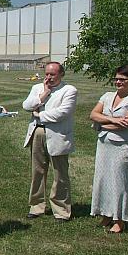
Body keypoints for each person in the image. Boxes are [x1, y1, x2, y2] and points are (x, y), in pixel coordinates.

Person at [89, 65, 128, 233]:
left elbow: (127, 124)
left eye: (123, 79)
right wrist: (113, 120)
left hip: (122, 146)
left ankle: (119, 220)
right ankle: (106, 214)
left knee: (119, 182)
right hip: (104, 144)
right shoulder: (107, 96)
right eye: (117, 79)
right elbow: (93, 114)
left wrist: (101, 124)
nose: (118, 82)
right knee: (103, 179)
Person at [22, 61, 77, 222]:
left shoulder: (69, 90)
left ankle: (61, 210)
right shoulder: (37, 88)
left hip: (58, 134)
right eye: (46, 74)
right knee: (37, 171)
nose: (49, 77)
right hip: (38, 132)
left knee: (60, 173)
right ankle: (36, 206)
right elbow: (27, 105)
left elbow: (63, 112)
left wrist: (39, 115)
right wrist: (44, 94)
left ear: (61, 74)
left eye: (52, 74)